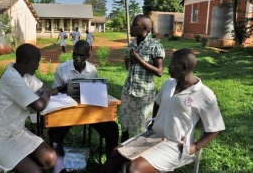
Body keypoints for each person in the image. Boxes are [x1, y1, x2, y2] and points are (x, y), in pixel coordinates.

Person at [101, 48, 226, 173]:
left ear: (184, 67)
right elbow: (157, 102)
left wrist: (196, 146)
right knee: (115, 154)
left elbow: (217, 128)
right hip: (154, 136)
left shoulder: (204, 94)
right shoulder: (169, 84)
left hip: (176, 145)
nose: (168, 67)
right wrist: (154, 122)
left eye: (172, 64)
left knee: (135, 169)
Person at [0, 43, 58, 173]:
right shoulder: (12, 78)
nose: (38, 66)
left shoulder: (25, 75)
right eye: (37, 62)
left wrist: (42, 92)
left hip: (18, 134)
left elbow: (42, 87)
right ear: (28, 62)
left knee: (50, 158)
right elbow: (39, 105)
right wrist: (48, 92)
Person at [47, 40, 119, 173]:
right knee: (55, 133)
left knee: (112, 128)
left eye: (81, 55)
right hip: (66, 111)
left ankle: (110, 165)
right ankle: (59, 168)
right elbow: (54, 93)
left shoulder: (92, 70)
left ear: (88, 55)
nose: (77, 58)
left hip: (87, 111)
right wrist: (64, 88)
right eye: (75, 54)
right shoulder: (62, 69)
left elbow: (94, 90)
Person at [119, 14, 165, 143]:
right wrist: (127, 62)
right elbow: (129, 66)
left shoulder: (155, 45)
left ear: (145, 28)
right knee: (125, 125)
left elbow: (159, 72)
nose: (131, 27)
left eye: (135, 24)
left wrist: (139, 60)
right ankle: (122, 154)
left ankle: (135, 156)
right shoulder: (132, 43)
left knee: (141, 128)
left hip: (144, 94)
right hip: (128, 91)